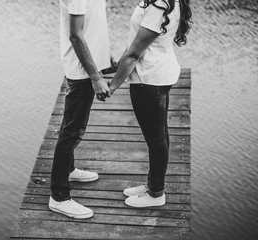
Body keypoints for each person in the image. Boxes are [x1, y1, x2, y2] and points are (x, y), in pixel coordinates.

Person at [107, 0, 193, 207]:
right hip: (159, 73)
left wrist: (112, 87)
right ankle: (153, 184)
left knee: (156, 139)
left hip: (150, 79)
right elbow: (136, 44)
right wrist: (119, 63)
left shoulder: (159, 6)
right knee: (160, 135)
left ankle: (156, 193)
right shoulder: (167, 2)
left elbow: (135, 53)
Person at [49, 0, 116, 219]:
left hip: (88, 66)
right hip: (82, 72)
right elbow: (75, 35)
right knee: (72, 132)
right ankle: (59, 197)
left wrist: (105, 56)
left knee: (71, 127)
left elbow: (93, 24)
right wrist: (95, 76)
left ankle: (69, 170)